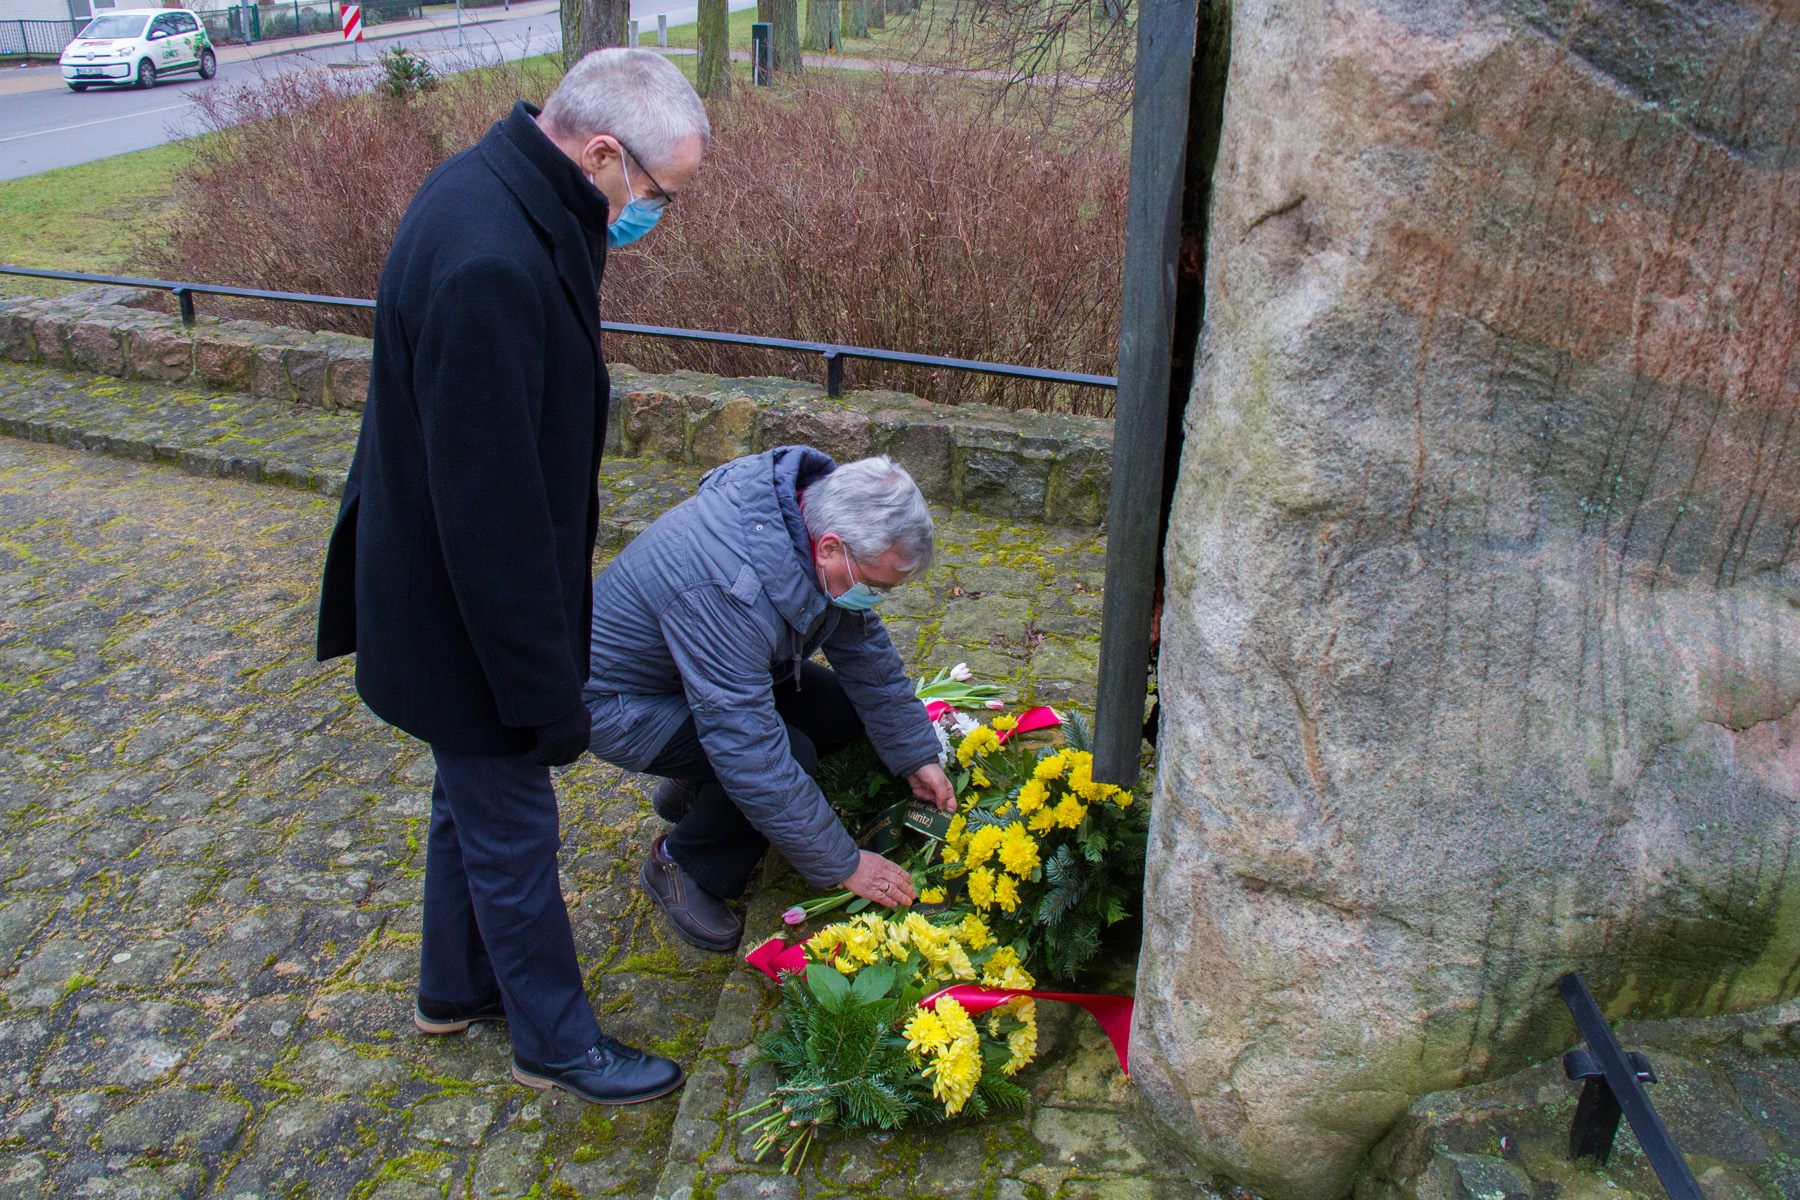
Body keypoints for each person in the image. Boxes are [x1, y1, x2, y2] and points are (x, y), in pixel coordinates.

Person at [315, 49, 709, 1106]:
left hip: (436, 584)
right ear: (601, 154)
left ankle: (452, 987)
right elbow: (489, 524)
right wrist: (546, 697)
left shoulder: (496, 186)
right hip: (459, 613)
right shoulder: (494, 258)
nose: (657, 216)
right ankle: (555, 1039)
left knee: (471, 804)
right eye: (660, 194)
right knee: (515, 824)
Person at [583, 449, 956, 952]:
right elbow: (749, 750)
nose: (876, 600)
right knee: (790, 754)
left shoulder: (807, 525)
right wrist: (844, 862)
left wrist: (917, 755)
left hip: (704, 677)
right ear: (829, 547)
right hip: (624, 703)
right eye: (876, 586)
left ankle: (692, 787)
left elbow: (866, 654)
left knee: (839, 712)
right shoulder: (727, 585)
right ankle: (683, 863)